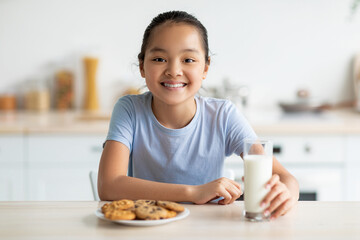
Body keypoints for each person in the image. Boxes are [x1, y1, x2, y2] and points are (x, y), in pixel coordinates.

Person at [98, 10, 299, 220]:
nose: (174, 70)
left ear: (205, 67)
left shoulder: (223, 115)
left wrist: (286, 194)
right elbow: (108, 185)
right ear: (142, 66)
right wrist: (193, 193)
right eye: (159, 58)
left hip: (206, 227)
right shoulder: (129, 109)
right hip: (146, 228)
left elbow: (286, 178)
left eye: (188, 60)